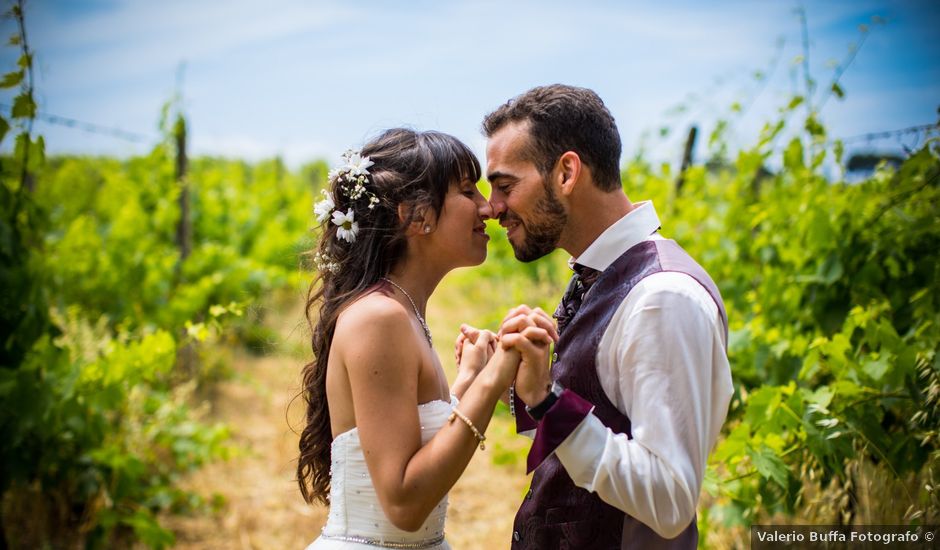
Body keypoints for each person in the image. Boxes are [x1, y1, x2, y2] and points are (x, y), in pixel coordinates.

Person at [477, 84, 734, 549]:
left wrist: (547, 403)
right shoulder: (601, 272)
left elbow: (669, 500)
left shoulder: (662, 297)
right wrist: (506, 383)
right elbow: (605, 413)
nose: (492, 208)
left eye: (505, 185)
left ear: (566, 173)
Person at [297, 128, 554, 549]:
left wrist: (469, 380)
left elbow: (412, 442)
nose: (487, 208)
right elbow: (403, 504)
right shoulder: (379, 317)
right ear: (415, 216)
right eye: (468, 191)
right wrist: (494, 379)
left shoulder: (401, 311)